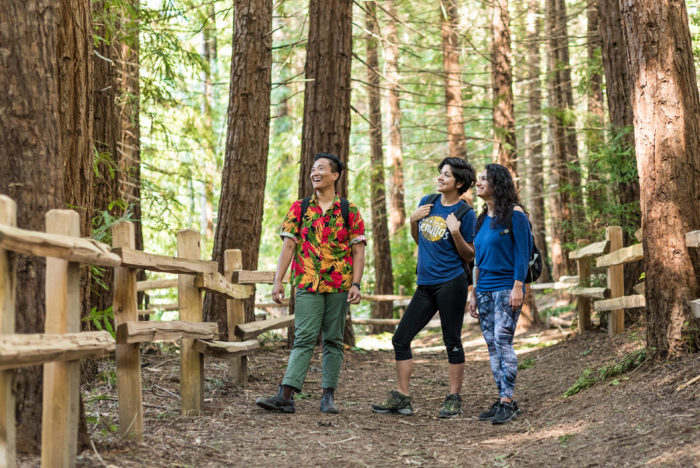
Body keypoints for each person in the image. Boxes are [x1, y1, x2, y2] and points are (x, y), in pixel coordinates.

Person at [255, 153, 366, 414]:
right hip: (306, 282)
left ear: (335, 175)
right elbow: (289, 245)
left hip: (339, 285)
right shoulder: (300, 207)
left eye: (321, 169)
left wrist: (356, 284)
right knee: (303, 337)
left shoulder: (350, 211)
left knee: (333, 339)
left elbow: (358, 251)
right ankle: (285, 394)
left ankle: (328, 396)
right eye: (313, 169)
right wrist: (278, 281)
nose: (315, 172)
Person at [371, 157, 476, 418]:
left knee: (451, 339)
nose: (440, 178)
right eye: (440, 173)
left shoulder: (466, 213)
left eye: (447, 175)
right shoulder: (428, 202)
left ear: (459, 183)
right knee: (401, 338)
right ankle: (403, 397)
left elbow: (470, 255)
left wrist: (455, 233)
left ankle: (454, 398)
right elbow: (421, 241)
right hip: (425, 283)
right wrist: (412, 222)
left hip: (452, 282)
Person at [467, 163, 532, 425]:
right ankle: (502, 396)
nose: (478, 182)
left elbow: (523, 254)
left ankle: (508, 401)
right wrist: (473, 293)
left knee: (502, 340)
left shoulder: (515, 214)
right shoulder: (481, 219)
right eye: (478, 179)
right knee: (492, 345)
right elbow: (477, 261)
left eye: (484, 179)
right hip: (484, 290)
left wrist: (518, 286)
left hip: (507, 286)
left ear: (497, 183)